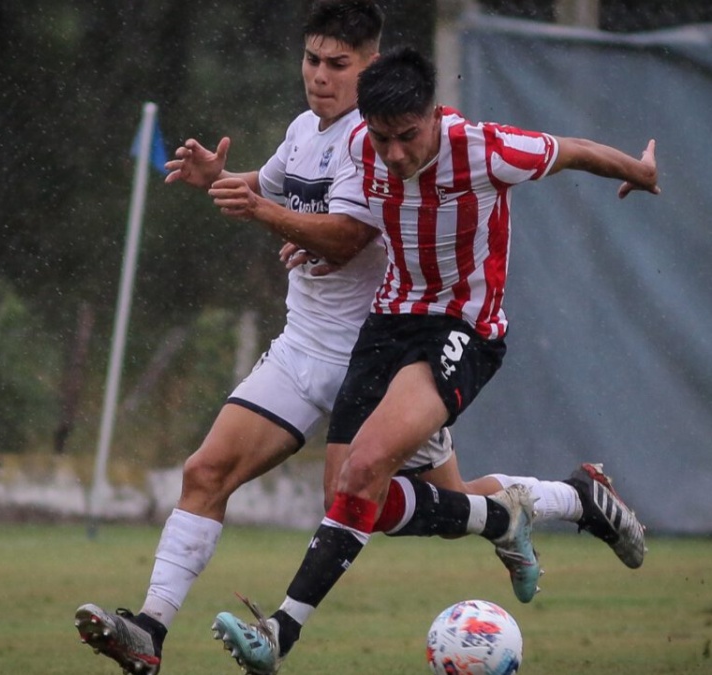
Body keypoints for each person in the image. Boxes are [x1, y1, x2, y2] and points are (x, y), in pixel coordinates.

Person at [74, 3, 645, 673]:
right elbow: (282, 192)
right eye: (311, 59)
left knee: (386, 498)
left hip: (392, 348)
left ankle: (552, 505)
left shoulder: (386, 139)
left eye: (337, 64)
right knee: (209, 472)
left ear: (370, 66)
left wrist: (275, 218)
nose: (319, 75)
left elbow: (345, 237)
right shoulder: (315, 131)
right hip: (310, 345)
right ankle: (148, 630)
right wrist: (222, 181)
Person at [210, 45, 659, 675]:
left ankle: (279, 633)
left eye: (407, 136)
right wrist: (319, 247)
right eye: (383, 138)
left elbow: (574, 149)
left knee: (366, 471)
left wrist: (639, 172)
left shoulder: (485, 148)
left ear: (433, 114)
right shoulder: (361, 148)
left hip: (462, 328)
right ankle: (553, 503)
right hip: (388, 323)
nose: (395, 153)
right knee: (352, 497)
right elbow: (354, 220)